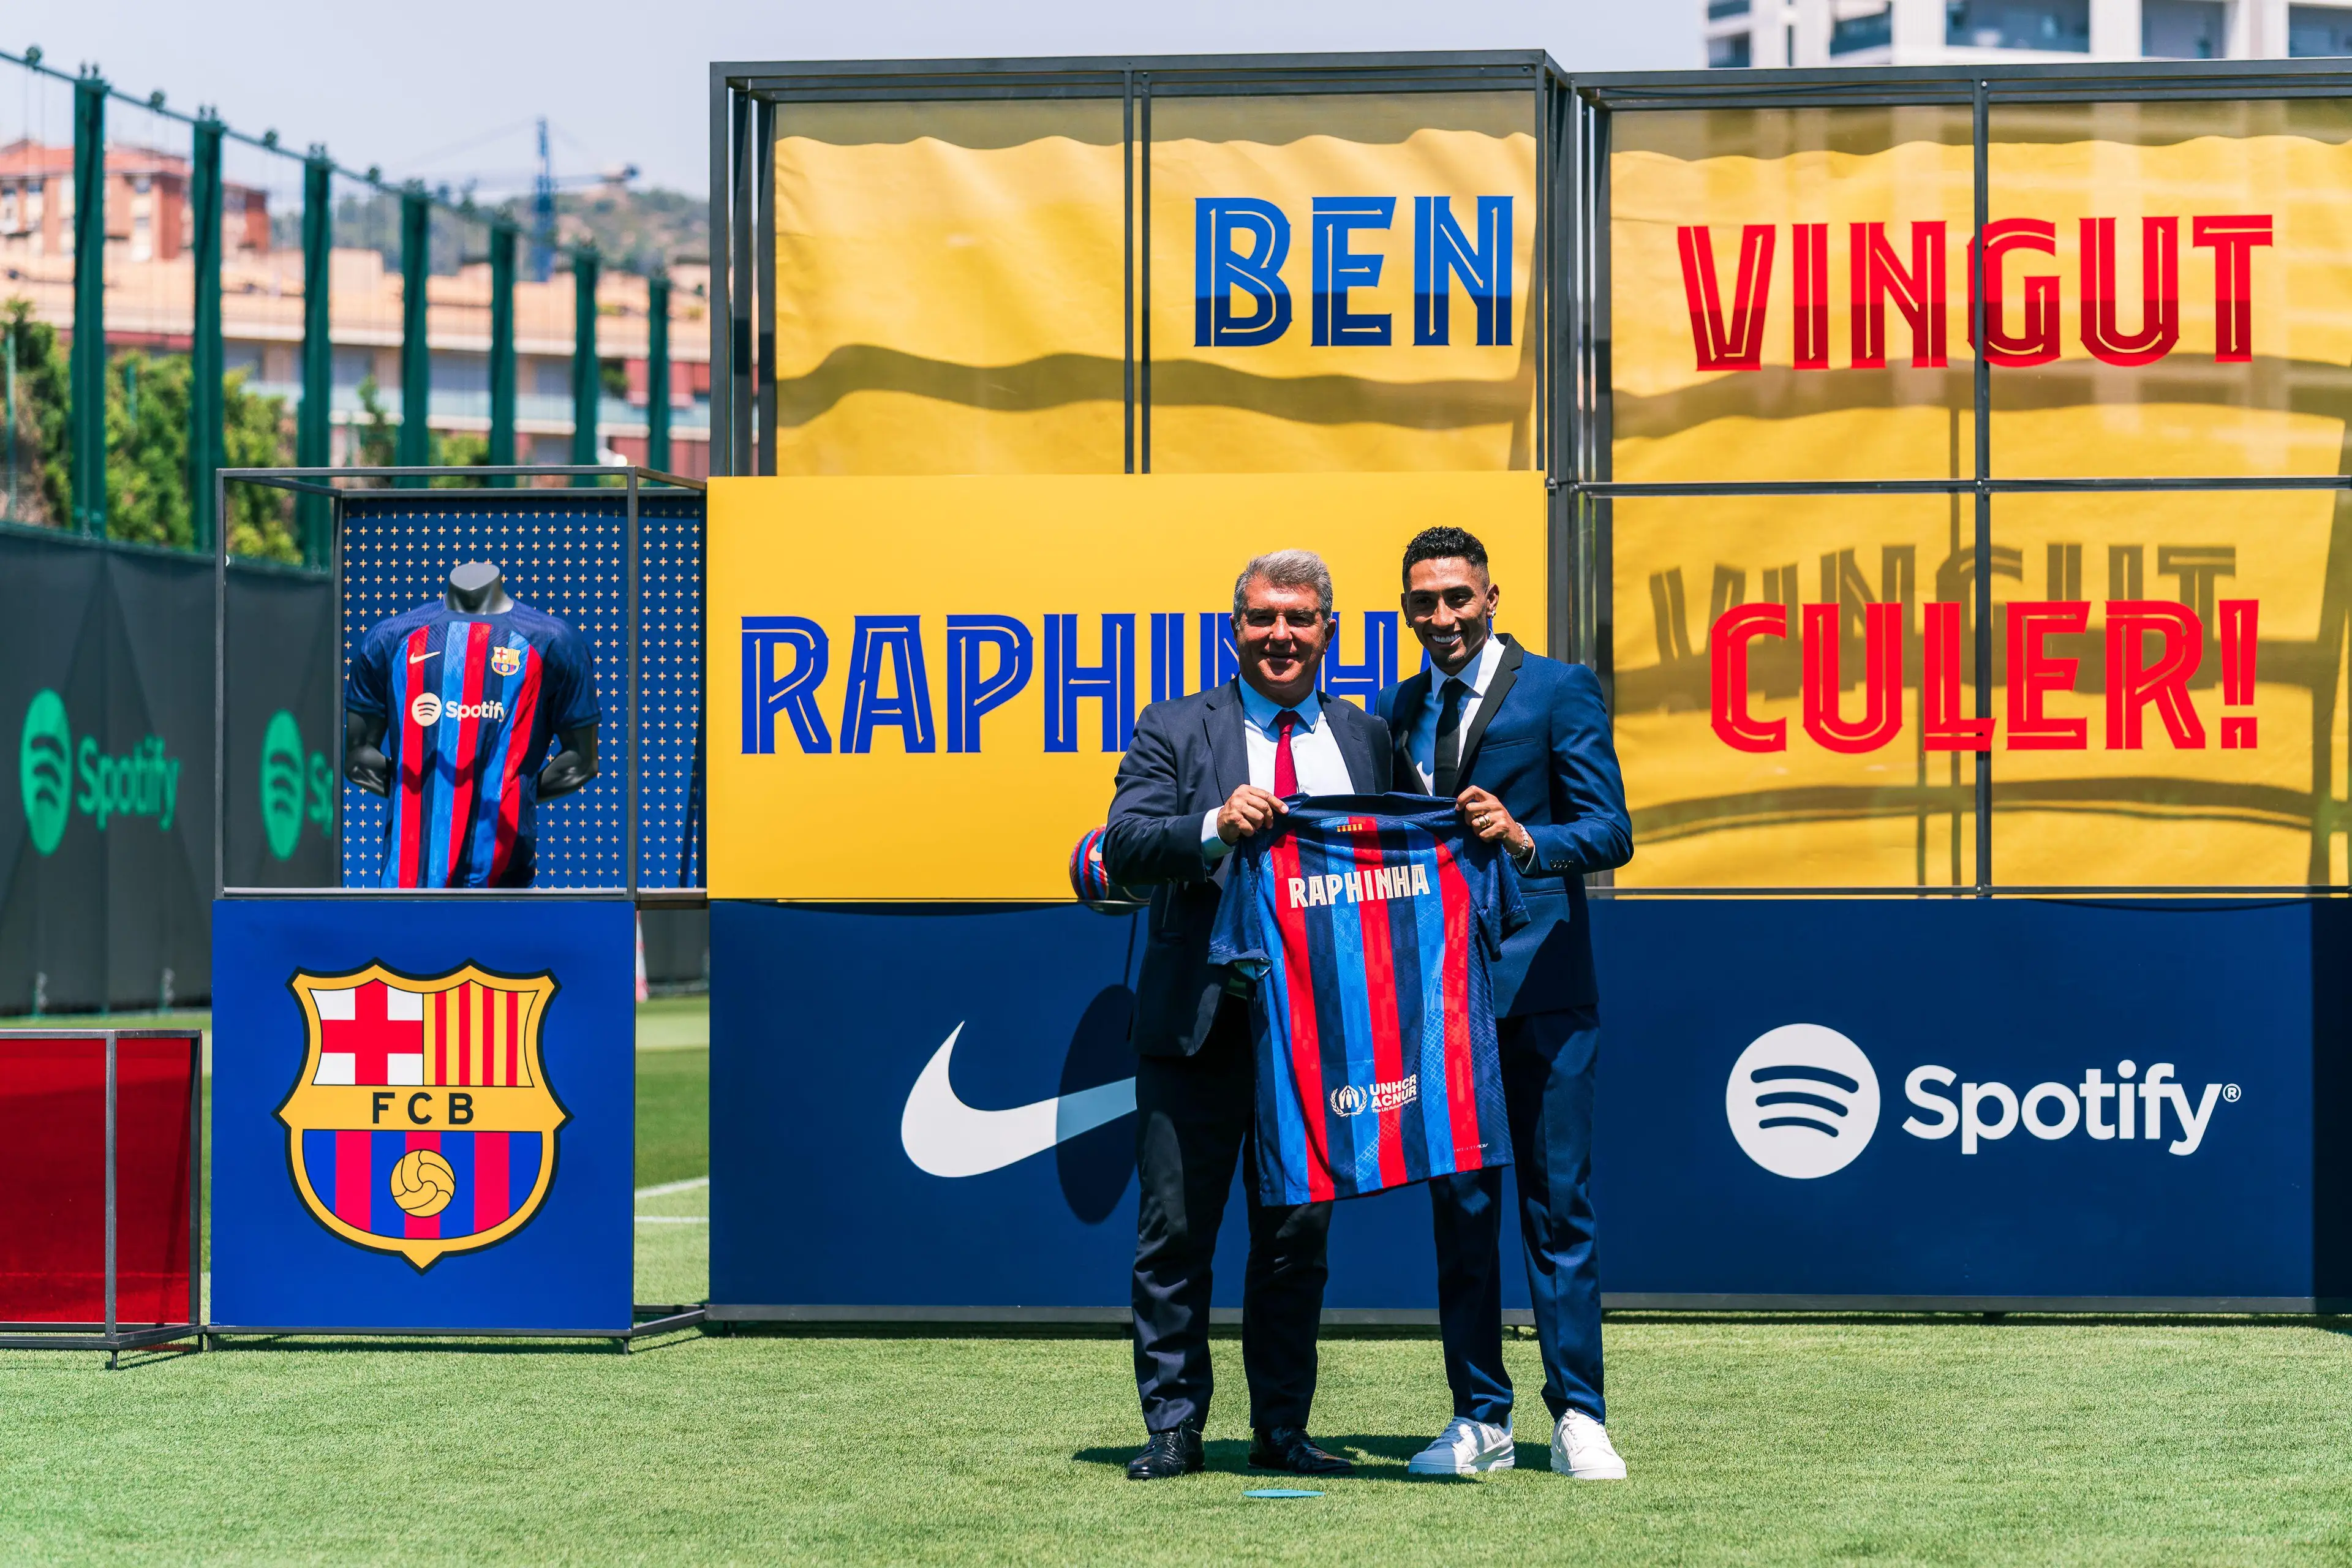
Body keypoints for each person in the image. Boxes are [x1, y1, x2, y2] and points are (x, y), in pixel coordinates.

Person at [1103, 549, 1395, 1480]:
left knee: (1296, 1241)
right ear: (1234, 629)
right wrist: (1212, 827)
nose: (1281, 636)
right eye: (1263, 618)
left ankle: (1283, 1428)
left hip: (1320, 1032)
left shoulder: (1365, 736)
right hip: (1201, 1023)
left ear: (1329, 631)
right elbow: (1127, 843)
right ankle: (1174, 1428)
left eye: (1300, 619)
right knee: (1175, 1236)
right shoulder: (1176, 727)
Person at [1373, 526, 1634, 1480]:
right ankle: (1479, 1414)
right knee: (1462, 1206)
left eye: (1457, 598)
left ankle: (1580, 1417)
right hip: (1437, 995)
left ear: (1492, 599)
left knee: (1556, 1206)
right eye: (1423, 602)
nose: (1440, 616)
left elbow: (1611, 832)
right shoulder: (1399, 707)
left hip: (1544, 989)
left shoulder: (1561, 689)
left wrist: (1527, 838)